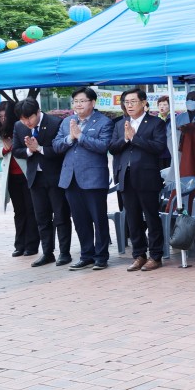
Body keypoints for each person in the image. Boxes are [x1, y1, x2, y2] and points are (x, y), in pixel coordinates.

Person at [53, 87, 114, 271]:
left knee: (98, 218)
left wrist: (80, 136)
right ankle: (86, 255)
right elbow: (56, 146)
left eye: (82, 101)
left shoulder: (104, 122)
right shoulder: (66, 122)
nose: (78, 105)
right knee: (79, 219)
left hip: (93, 178)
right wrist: (70, 139)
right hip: (70, 178)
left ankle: (101, 256)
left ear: (92, 103)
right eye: (75, 101)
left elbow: (103, 146)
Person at [108, 88, 168, 272]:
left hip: (147, 177)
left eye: (133, 101)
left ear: (143, 102)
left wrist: (135, 138)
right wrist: (126, 140)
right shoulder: (120, 124)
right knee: (132, 218)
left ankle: (155, 256)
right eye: (126, 102)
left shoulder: (155, 123)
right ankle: (139, 255)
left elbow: (159, 147)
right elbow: (112, 148)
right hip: (126, 177)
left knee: (151, 217)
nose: (130, 105)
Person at [13, 99, 71, 266]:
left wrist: (39, 148)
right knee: (42, 217)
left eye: (29, 118)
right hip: (35, 178)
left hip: (55, 176)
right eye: (23, 119)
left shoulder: (55, 123)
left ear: (38, 111)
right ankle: (47, 252)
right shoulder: (19, 126)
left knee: (61, 216)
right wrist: (29, 151)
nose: (26, 122)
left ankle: (64, 253)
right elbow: (17, 150)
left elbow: (61, 150)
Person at [0, 100, 38, 258]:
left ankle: (32, 245)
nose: (2, 119)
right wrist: (4, 149)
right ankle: (20, 244)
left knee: (31, 210)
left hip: (27, 174)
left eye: (5, 116)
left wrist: (15, 146)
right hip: (11, 177)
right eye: (0, 116)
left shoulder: (22, 127)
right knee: (19, 211)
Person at [156, 96, 174, 170]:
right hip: (158, 153)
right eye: (160, 105)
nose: (162, 107)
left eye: (165, 105)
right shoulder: (155, 119)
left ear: (170, 106)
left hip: (171, 152)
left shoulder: (174, 118)